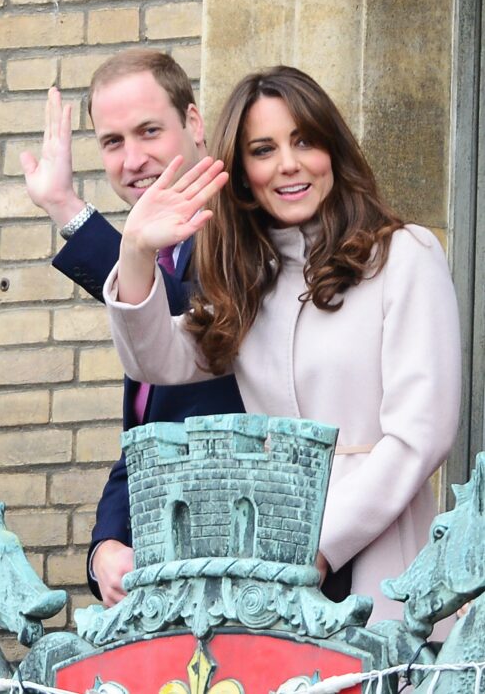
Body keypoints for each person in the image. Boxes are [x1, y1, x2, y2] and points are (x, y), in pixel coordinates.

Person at [102, 65, 462, 625]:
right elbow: (156, 359)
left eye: (304, 141)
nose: (288, 164)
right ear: (243, 173)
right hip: (271, 568)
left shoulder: (405, 256)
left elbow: (421, 433)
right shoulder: (253, 279)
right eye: (263, 149)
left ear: (333, 150)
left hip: (375, 545)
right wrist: (136, 251)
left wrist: (316, 542)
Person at [20, 49, 245, 607]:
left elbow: (193, 327)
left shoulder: (246, 225)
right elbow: (146, 428)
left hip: (242, 562)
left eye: (150, 131)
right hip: (165, 576)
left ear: (194, 123)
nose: (133, 159)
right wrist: (106, 550)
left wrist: (72, 212)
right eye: (113, 142)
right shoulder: (158, 251)